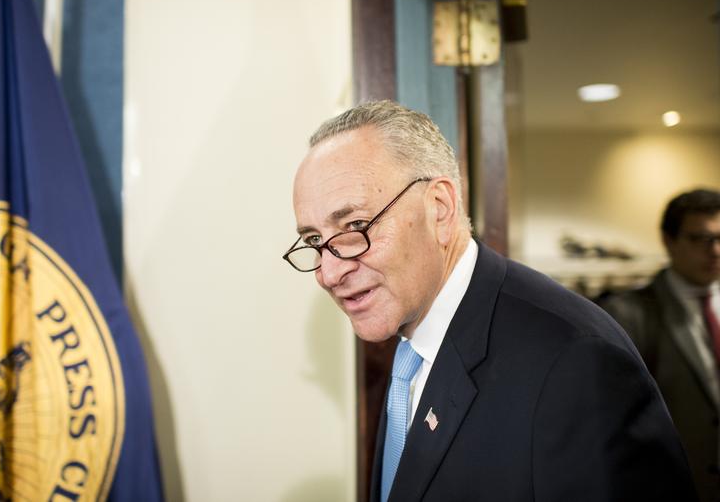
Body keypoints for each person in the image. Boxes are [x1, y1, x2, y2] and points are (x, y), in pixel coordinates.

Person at [283, 100, 697, 502]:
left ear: (440, 209)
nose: (329, 273)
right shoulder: (412, 339)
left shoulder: (575, 359)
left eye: (356, 226)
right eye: (315, 241)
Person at [600, 189, 720, 502]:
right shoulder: (628, 313)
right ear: (669, 240)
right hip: (673, 486)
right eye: (700, 239)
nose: (716, 250)